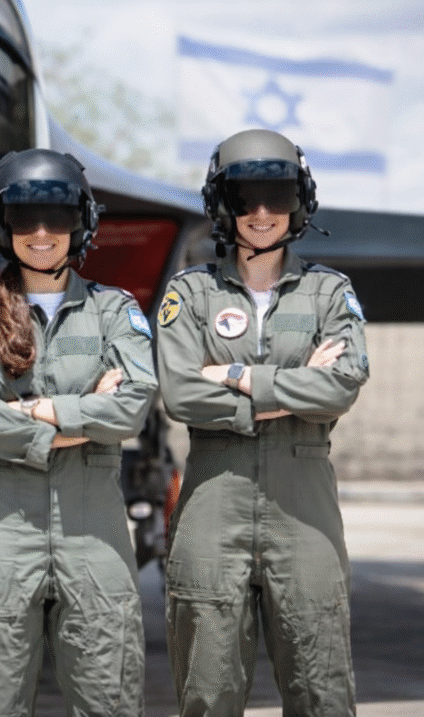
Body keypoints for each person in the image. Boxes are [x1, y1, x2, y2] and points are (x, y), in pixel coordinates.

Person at [156, 128, 369, 716]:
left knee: (321, 687)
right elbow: (179, 392)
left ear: (299, 202)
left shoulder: (329, 293)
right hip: (213, 500)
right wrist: (292, 387)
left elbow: (342, 384)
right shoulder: (190, 294)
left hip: (304, 510)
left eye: (276, 198)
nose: (260, 213)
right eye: (245, 198)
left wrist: (237, 377)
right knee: (207, 691)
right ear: (222, 204)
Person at [0, 148, 157, 716]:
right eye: (23, 218)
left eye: (56, 217)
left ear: (79, 223)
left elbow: (132, 409)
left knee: (109, 699)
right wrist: (84, 411)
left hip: (96, 537)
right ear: (1, 225)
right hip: (0, 536)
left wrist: (33, 412)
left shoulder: (115, 312)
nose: (41, 233)